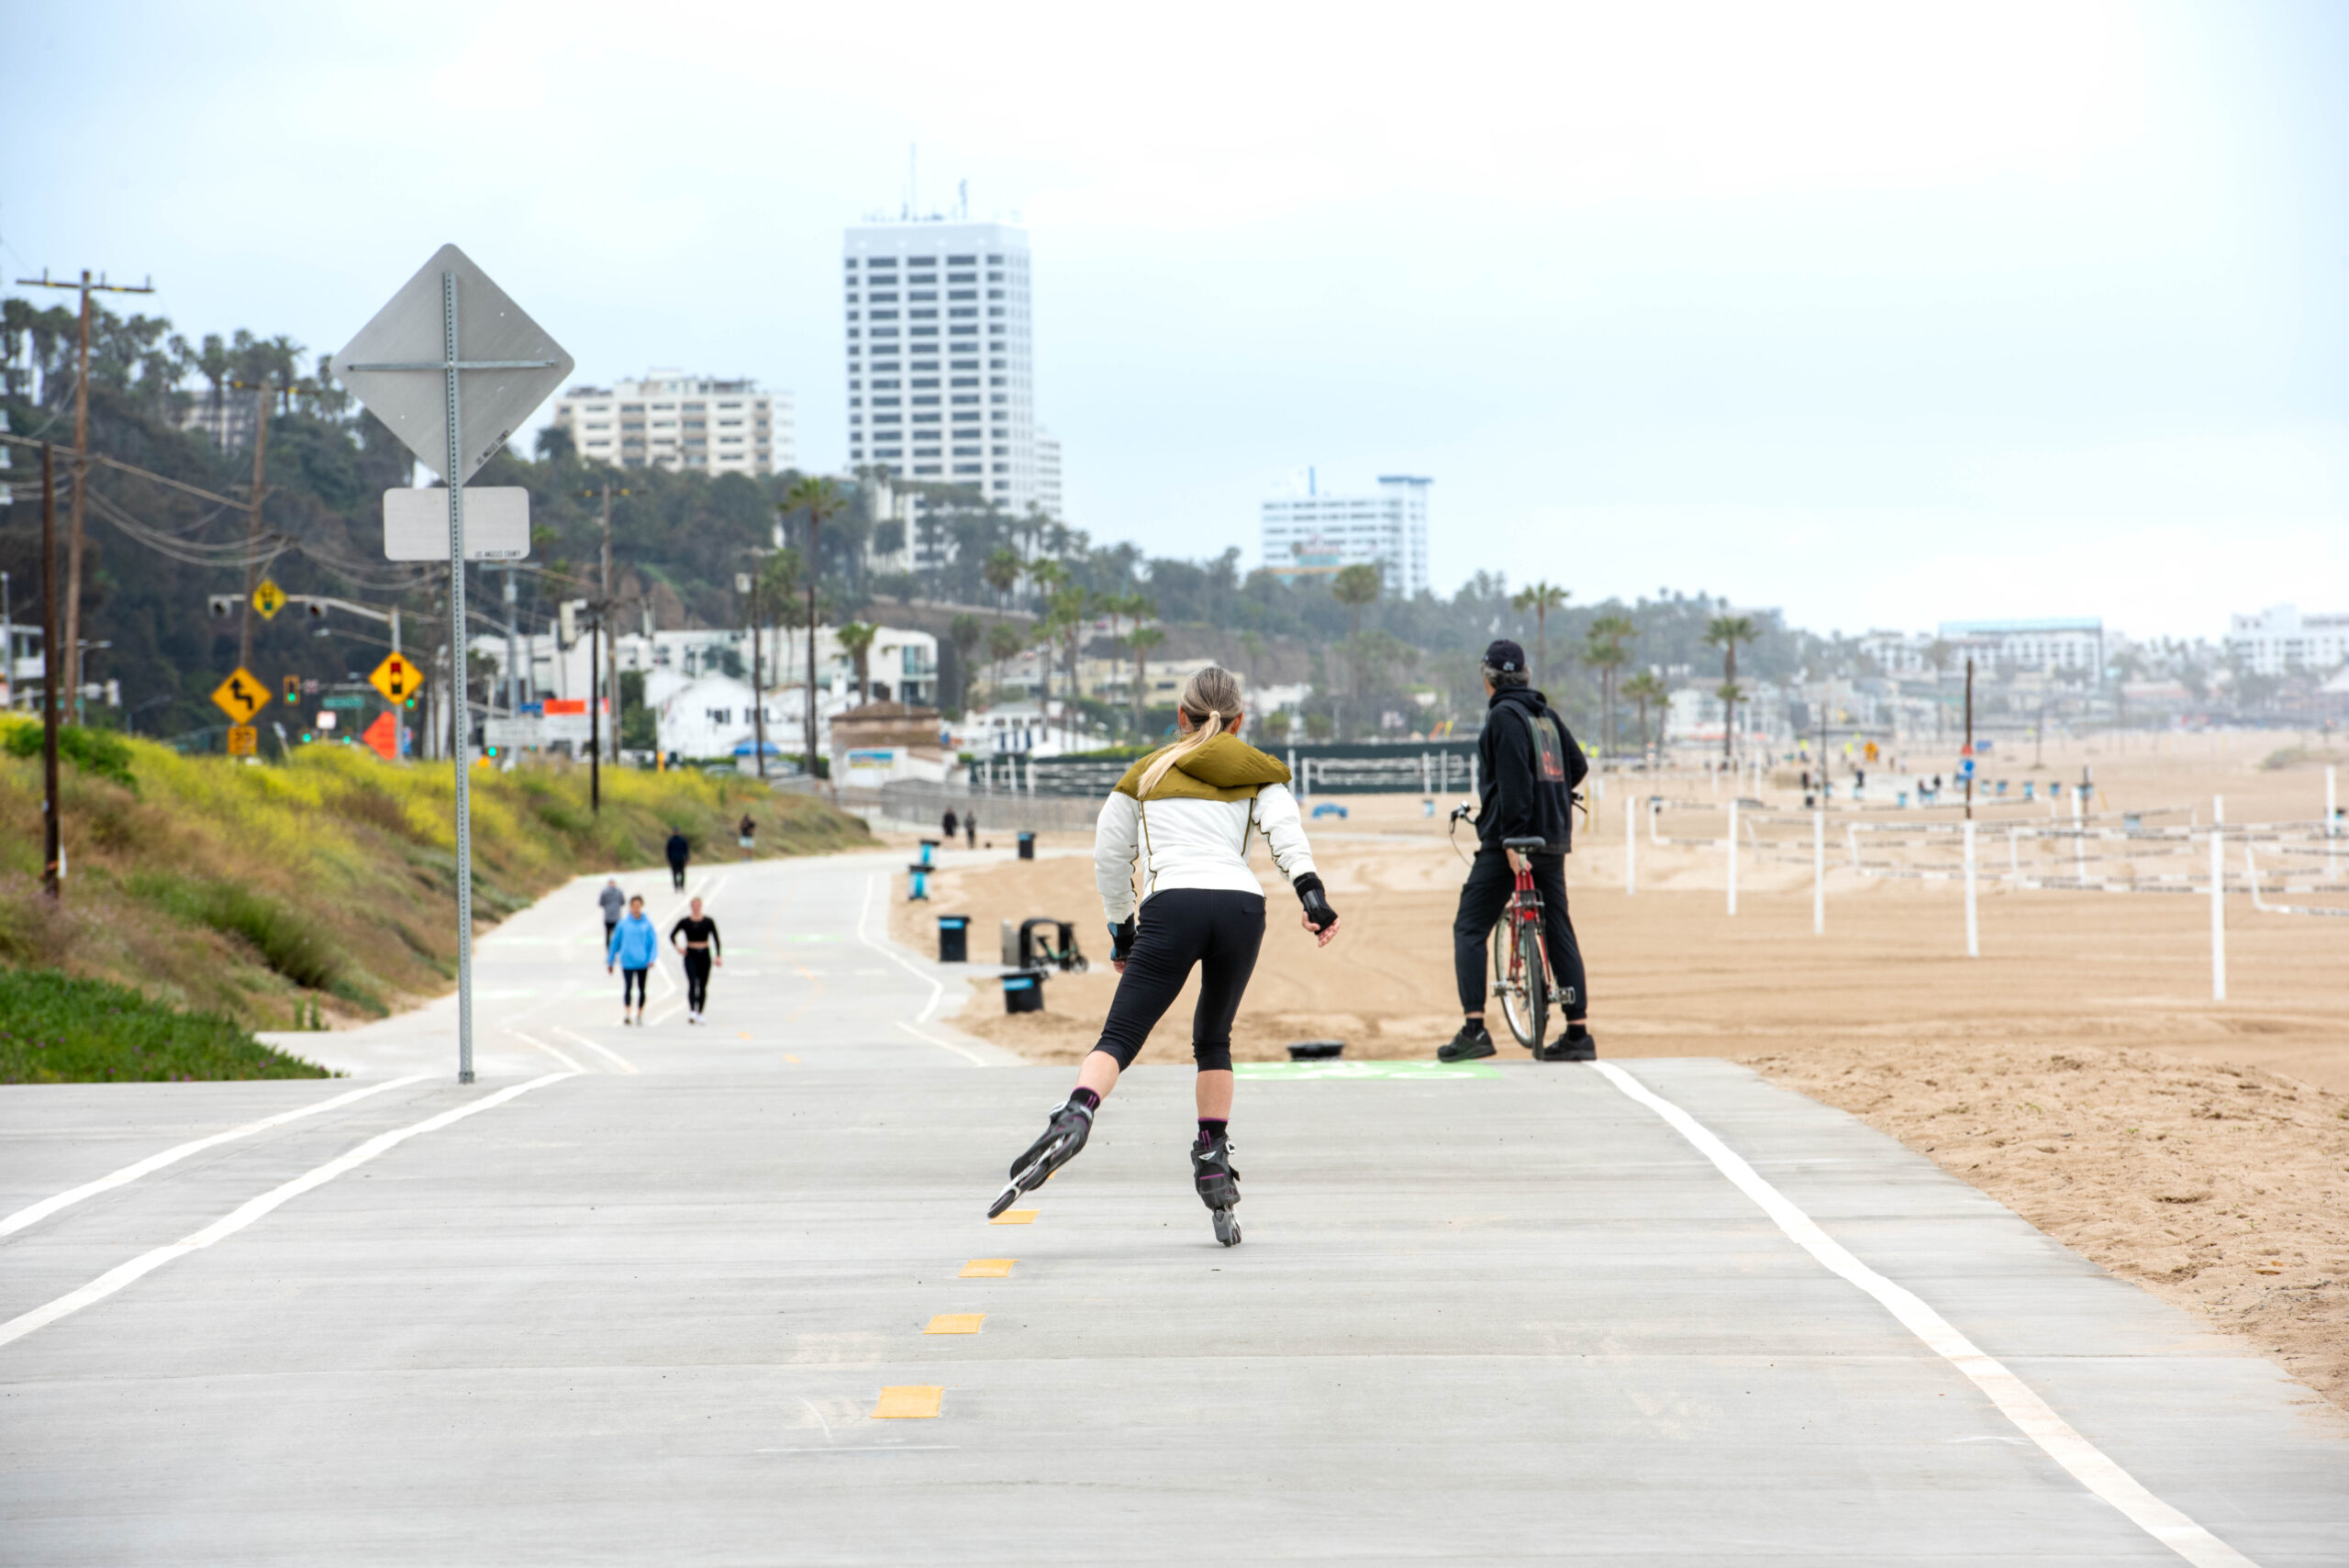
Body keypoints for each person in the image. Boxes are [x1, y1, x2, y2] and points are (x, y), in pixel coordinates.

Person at [989, 666, 1340, 1247]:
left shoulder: (1145, 772)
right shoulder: (1264, 772)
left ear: (1180, 717)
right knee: (1214, 1038)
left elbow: (1109, 854)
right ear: (1240, 721)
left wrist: (1121, 929)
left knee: (1121, 1037)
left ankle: (1077, 1113)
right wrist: (1312, 897)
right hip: (1241, 909)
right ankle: (1212, 1155)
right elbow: (1286, 836)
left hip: (1171, 906)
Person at [1440, 638, 1595, 1064]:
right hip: (1554, 837)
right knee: (1557, 923)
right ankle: (1578, 1032)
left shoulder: (1503, 718)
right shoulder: (1545, 715)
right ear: (1523, 675)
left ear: (1487, 678)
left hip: (1512, 840)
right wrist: (1554, 797)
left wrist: (1512, 839)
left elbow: (1513, 783)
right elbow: (1578, 767)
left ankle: (1474, 1028)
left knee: (1470, 927)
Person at [607, 894, 658, 1027]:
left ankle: (640, 1013)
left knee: (642, 988)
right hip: (627, 961)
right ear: (630, 907)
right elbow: (615, 943)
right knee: (628, 987)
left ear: (641, 907)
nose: (636, 908)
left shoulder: (647, 924)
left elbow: (653, 943)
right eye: (634, 906)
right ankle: (628, 1012)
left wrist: (652, 958)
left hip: (642, 961)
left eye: (638, 906)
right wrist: (610, 960)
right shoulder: (623, 924)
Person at [669, 895, 721, 1024]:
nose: (696, 907)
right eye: (694, 905)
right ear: (691, 907)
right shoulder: (685, 922)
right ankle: (692, 1011)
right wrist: (679, 949)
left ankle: (700, 1012)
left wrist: (718, 955)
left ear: (701, 906)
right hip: (690, 954)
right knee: (692, 983)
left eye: (698, 905)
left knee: (702, 985)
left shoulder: (708, 921)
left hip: (704, 953)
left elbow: (716, 939)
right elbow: (672, 935)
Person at [597, 877, 626, 949]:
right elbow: (623, 902)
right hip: (617, 917)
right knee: (618, 936)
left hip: (608, 917)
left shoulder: (604, 892)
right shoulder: (619, 892)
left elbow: (601, 903)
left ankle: (609, 951)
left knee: (608, 935)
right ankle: (617, 950)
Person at [665, 828, 690, 892]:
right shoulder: (671, 841)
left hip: (680, 859)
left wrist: (687, 859)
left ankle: (681, 885)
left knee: (681, 873)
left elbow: (686, 850)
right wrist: (669, 859)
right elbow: (668, 851)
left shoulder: (682, 840)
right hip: (674, 859)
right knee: (675, 873)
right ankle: (677, 886)